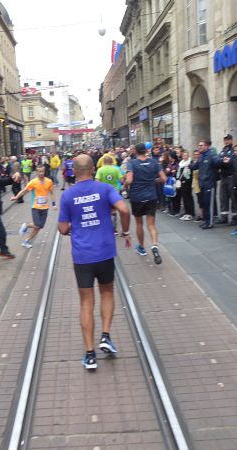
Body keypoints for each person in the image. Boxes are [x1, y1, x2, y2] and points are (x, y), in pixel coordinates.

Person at [58, 154, 131, 371]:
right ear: (93, 169)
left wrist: (72, 227)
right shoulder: (104, 189)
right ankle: (105, 336)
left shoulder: (68, 195)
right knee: (107, 293)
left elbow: (62, 228)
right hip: (105, 251)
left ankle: (90, 355)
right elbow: (124, 209)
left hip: (82, 255)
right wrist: (124, 231)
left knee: (86, 302)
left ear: (74, 171)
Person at [124, 143, 166, 264]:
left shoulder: (132, 163)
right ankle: (154, 245)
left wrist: (125, 183)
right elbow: (164, 178)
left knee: (138, 224)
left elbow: (130, 180)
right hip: (151, 196)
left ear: (136, 152)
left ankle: (142, 247)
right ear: (146, 151)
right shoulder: (154, 162)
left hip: (137, 197)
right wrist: (153, 182)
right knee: (151, 225)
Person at [13, 165, 56, 248]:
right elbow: (24, 190)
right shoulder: (33, 182)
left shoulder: (49, 181)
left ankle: (26, 241)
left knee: (40, 226)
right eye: (39, 171)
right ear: (36, 172)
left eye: (42, 171)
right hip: (35, 207)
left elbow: (52, 193)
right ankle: (26, 225)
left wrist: (54, 204)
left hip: (45, 207)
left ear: (44, 171)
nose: (41, 173)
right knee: (37, 224)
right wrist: (16, 197)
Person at [191, 140, 221, 229]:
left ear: (207, 146)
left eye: (201, 145)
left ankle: (210, 222)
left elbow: (218, 161)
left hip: (209, 184)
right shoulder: (201, 156)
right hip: (202, 183)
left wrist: (224, 161)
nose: (199, 147)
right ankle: (206, 221)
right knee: (204, 204)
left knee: (209, 205)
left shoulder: (212, 155)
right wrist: (190, 165)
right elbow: (195, 166)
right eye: (199, 145)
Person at [95, 155, 123, 232]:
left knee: (104, 208)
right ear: (111, 162)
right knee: (114, 209)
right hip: (114, 191)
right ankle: (114, 229)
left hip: (103, 191)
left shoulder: (100, 170)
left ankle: (105, 227)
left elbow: (97, 181)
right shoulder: (116, 169)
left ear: (103, 162)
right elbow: (121, 181)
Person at [217, 134, 236, 225]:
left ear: (231, 140)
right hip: (223, 177)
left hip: (231, 176)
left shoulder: (233, 150)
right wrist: (222, 161)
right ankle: (224, 217)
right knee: (223, 197)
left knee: (233, 197)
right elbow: (218, 161)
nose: (226, 141)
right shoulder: (222, 150)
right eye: (225, 139)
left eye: (228, 139)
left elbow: (230, 162)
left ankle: (235, 217)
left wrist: (223, 161)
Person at [176, 150, 194, 221]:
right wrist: (178, 180)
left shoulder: (189, 163)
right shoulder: (181, 163)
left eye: (186, 155)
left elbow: (189, 174)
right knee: (184, 198)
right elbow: (179, 172)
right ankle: (186, 213)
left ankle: (190, 213)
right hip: (182, 182)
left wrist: (185, 181)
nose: (185, 156)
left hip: (187, 182)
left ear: (188, 156)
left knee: (188, 197)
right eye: (183, 155)